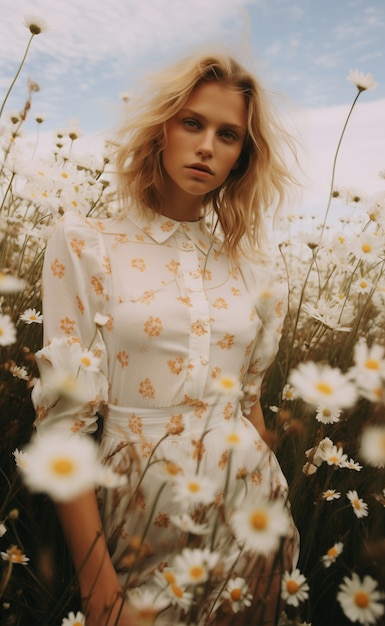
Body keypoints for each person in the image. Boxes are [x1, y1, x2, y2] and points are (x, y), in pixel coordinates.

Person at [32, 51, 299, 626]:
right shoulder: (86, 243)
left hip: (250, 525)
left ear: (241, 157)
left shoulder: (257, 268)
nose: (207, 145)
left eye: (228, 135)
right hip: (136, 526)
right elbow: (64, 429)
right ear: (162, 131)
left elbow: (249, 408)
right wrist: (101, 598)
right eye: (192, 123)